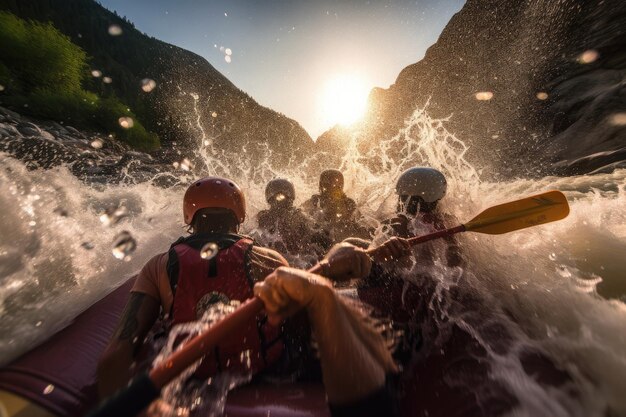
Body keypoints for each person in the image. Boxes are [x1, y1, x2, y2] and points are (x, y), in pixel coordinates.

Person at [97, 176, 398, 416]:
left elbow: (114, 358)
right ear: (238, 216)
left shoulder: (157, 266)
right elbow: (300, 329)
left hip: (191, 379)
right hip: (267, 371)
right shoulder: (268, 259)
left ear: (190, 216)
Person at [256, 178, 331, 260]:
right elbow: (256, 235)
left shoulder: (299, 215)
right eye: (277, 196)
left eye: (284, 195)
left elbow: (314, 231)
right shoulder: (263, 217)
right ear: (270, 198)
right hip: (272, 258)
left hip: (297, 258)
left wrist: (322, 237)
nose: (281, 199)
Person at [303, 169, 371, 244]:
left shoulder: (348, 203)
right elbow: (304, 217)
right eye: (328, 186)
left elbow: (359, 221)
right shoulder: (315, 201)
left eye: (334, 186)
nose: (331, 190)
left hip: (341, 239)